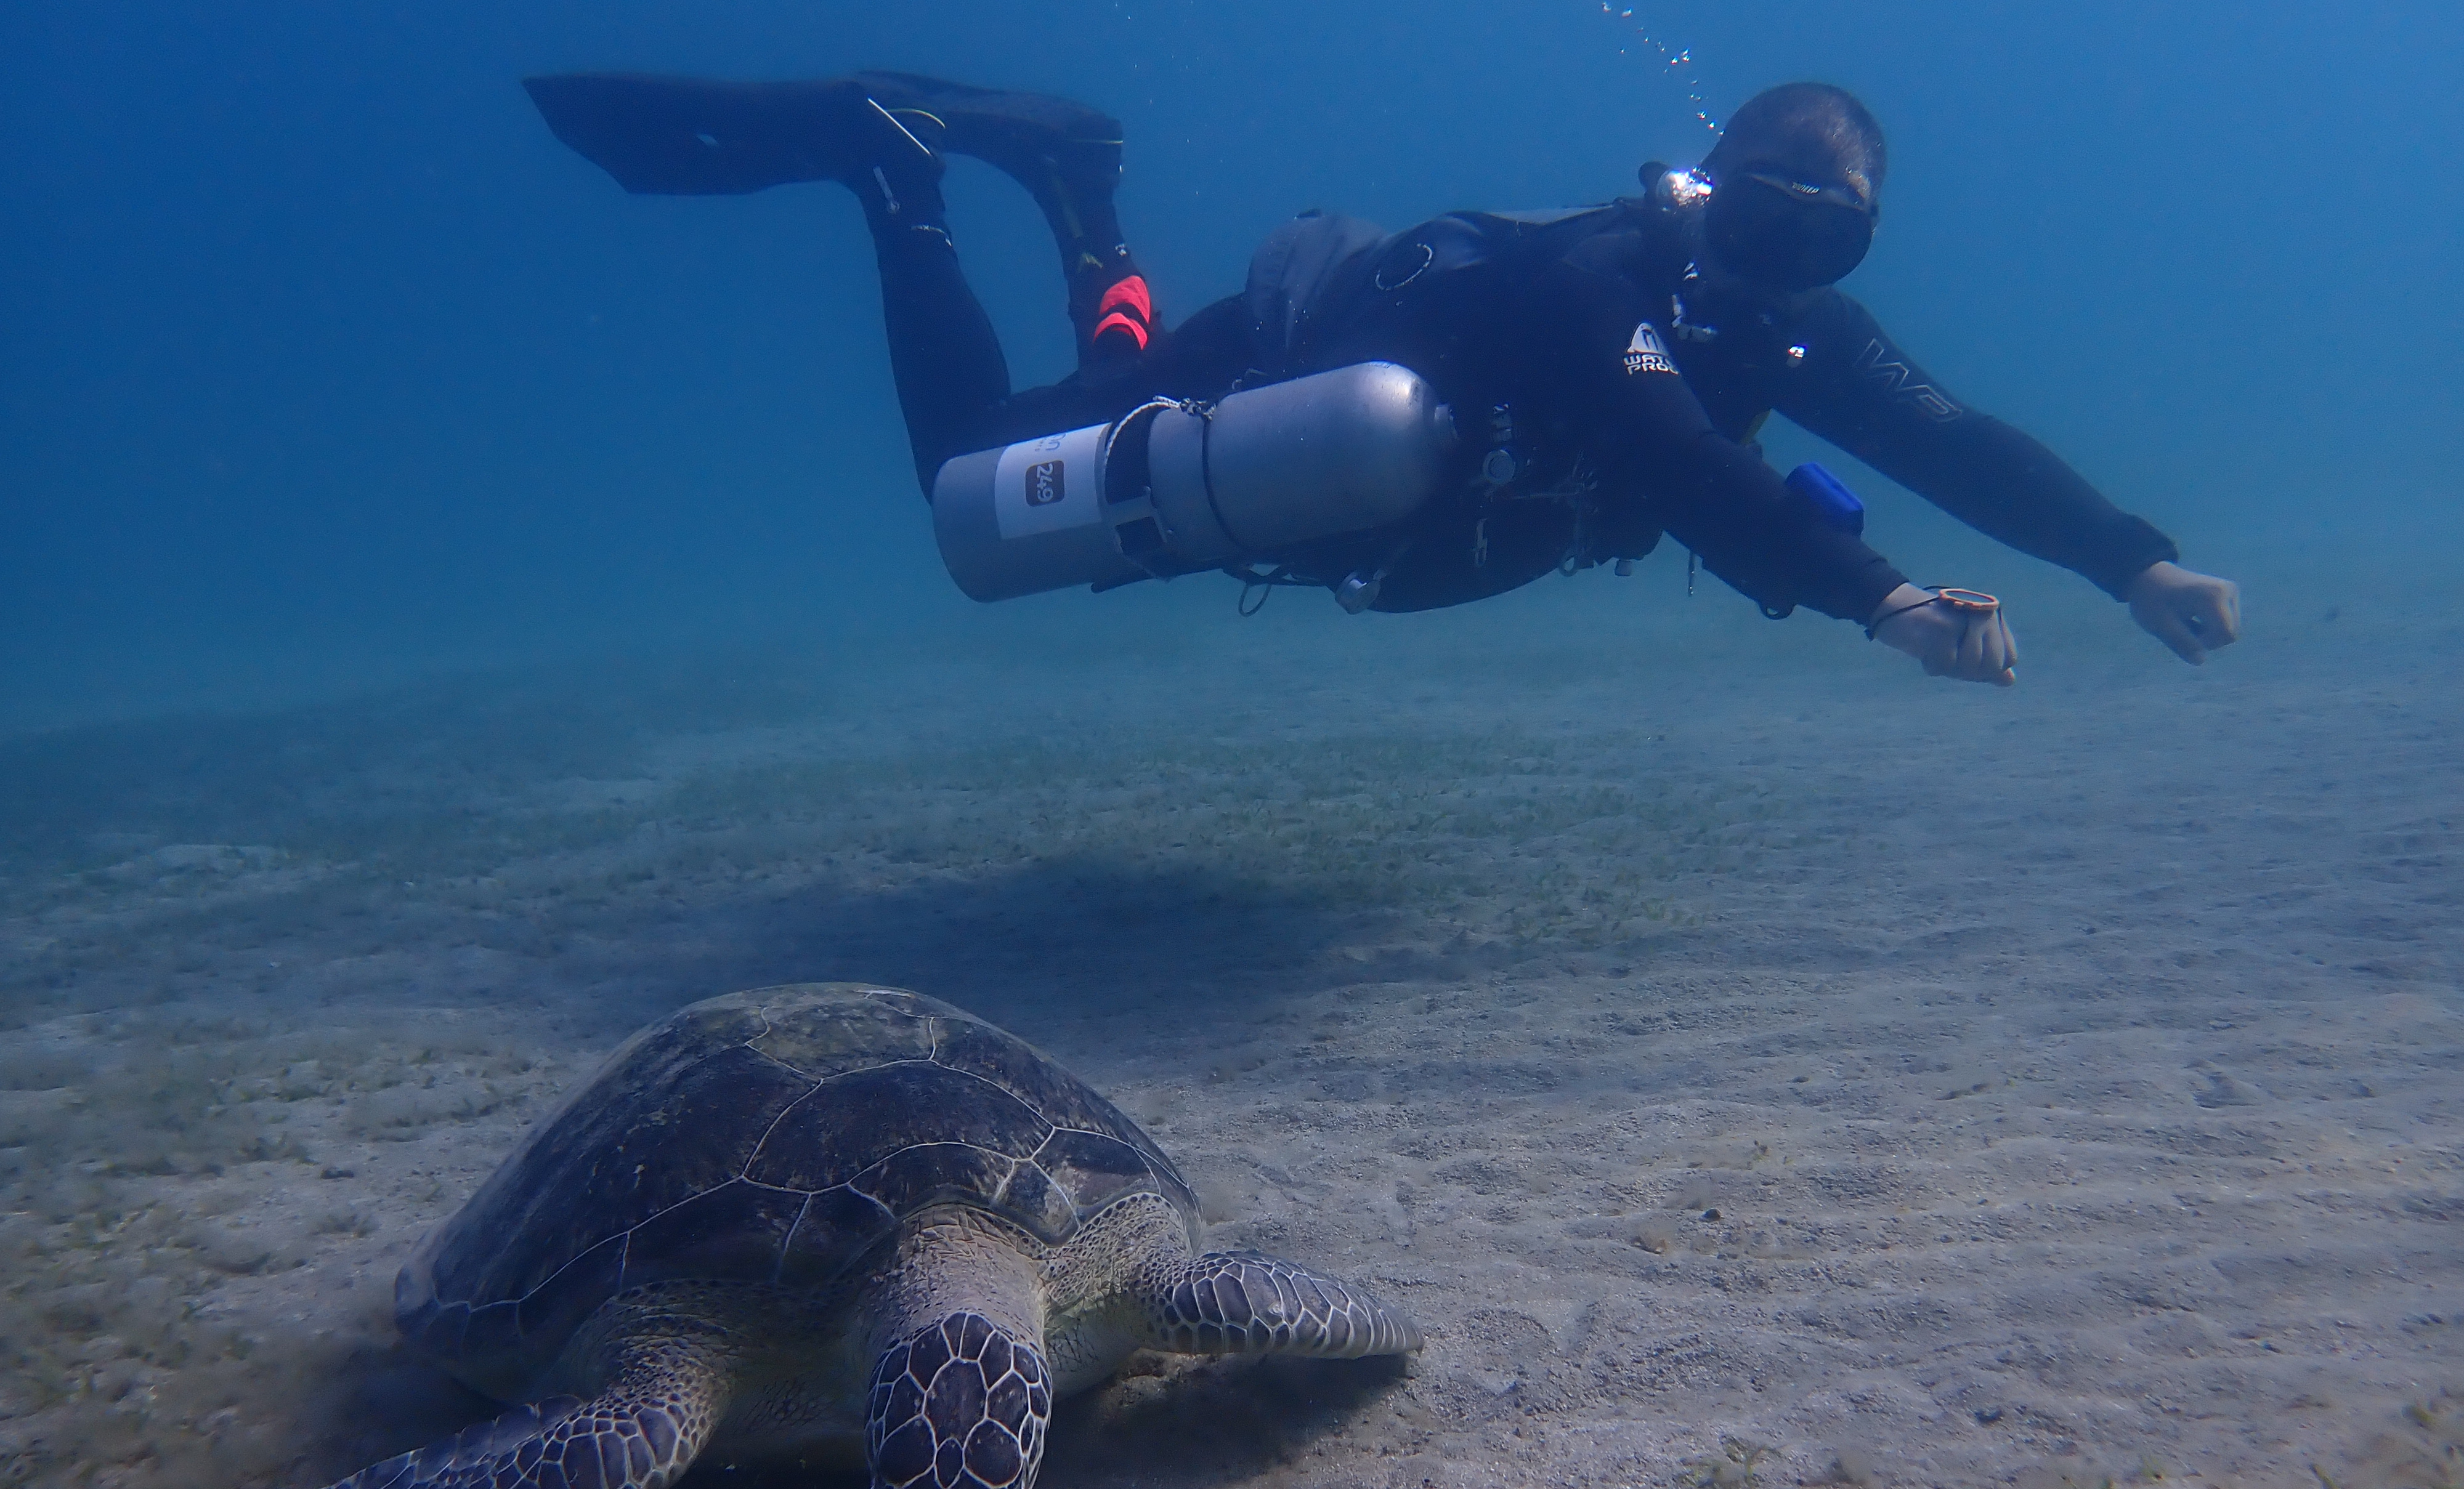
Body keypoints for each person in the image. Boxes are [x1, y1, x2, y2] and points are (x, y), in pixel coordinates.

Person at [525, 71, 2241, 686]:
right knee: (972, 479)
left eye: (1835, 245)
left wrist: (2129, 558)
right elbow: (1678, 463)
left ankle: (1077, 191)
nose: (1792, 273)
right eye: (1776, 222)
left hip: (1357, 481)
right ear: (1713, 188)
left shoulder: (1782, 334)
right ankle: (896, 176)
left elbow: (1954, 441)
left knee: (1070, 419)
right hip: (1283, 382)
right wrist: (1878, 602)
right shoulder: (1598, 283)